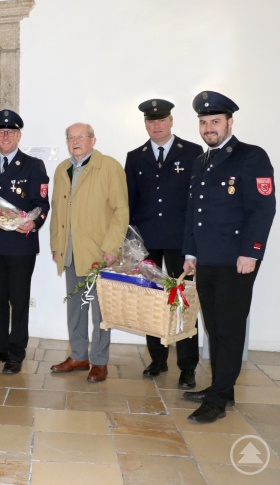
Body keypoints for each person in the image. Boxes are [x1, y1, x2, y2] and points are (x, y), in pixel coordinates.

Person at [182, 91, 276, 423]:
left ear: (229, 123)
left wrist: (251, 252)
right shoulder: (200, 161)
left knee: (230, 328)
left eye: (215, 122)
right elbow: (195, 212)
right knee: (215, 328)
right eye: (204, 123)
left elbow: (263, 209)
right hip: (206, 258)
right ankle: (223, 387)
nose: (209, 128)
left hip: (237, 260)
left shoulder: (251, 157)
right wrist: (190, 252)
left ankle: (218, 400)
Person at [124, 99, 203, 389]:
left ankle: (188, 367)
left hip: (182, 242)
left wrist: (194, 241)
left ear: (170, 121)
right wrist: (130, 243)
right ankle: (158, 359)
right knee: (152, 299)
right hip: (148, 241)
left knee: (183, 301)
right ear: (145, 124)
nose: (155, 126)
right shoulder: (135, 156)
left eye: (161, 120)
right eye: (150, 121)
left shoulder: (192, 152)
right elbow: (129, 202)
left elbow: (198, 201)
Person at [0, 110, 50, 374]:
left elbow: (41, 204)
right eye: (1, 132)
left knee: (19, 299)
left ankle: (16, 352)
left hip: (20, 244)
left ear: (18, 135)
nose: (5, 136)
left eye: (11, 132)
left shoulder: (33, 165)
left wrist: (33, 222)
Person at [49, 122, 129, 383]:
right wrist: (55, 245)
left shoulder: (109, 166)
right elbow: (56, 211)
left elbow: (121, 211)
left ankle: (99, 360)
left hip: (99, 252)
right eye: (70, 137)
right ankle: (79, 355)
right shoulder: (63, 169)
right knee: (75, 307)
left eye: (81, 137)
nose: (75, 141)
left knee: (101, 311)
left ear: (93, 140)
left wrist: (111, 247)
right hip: (70, 251)